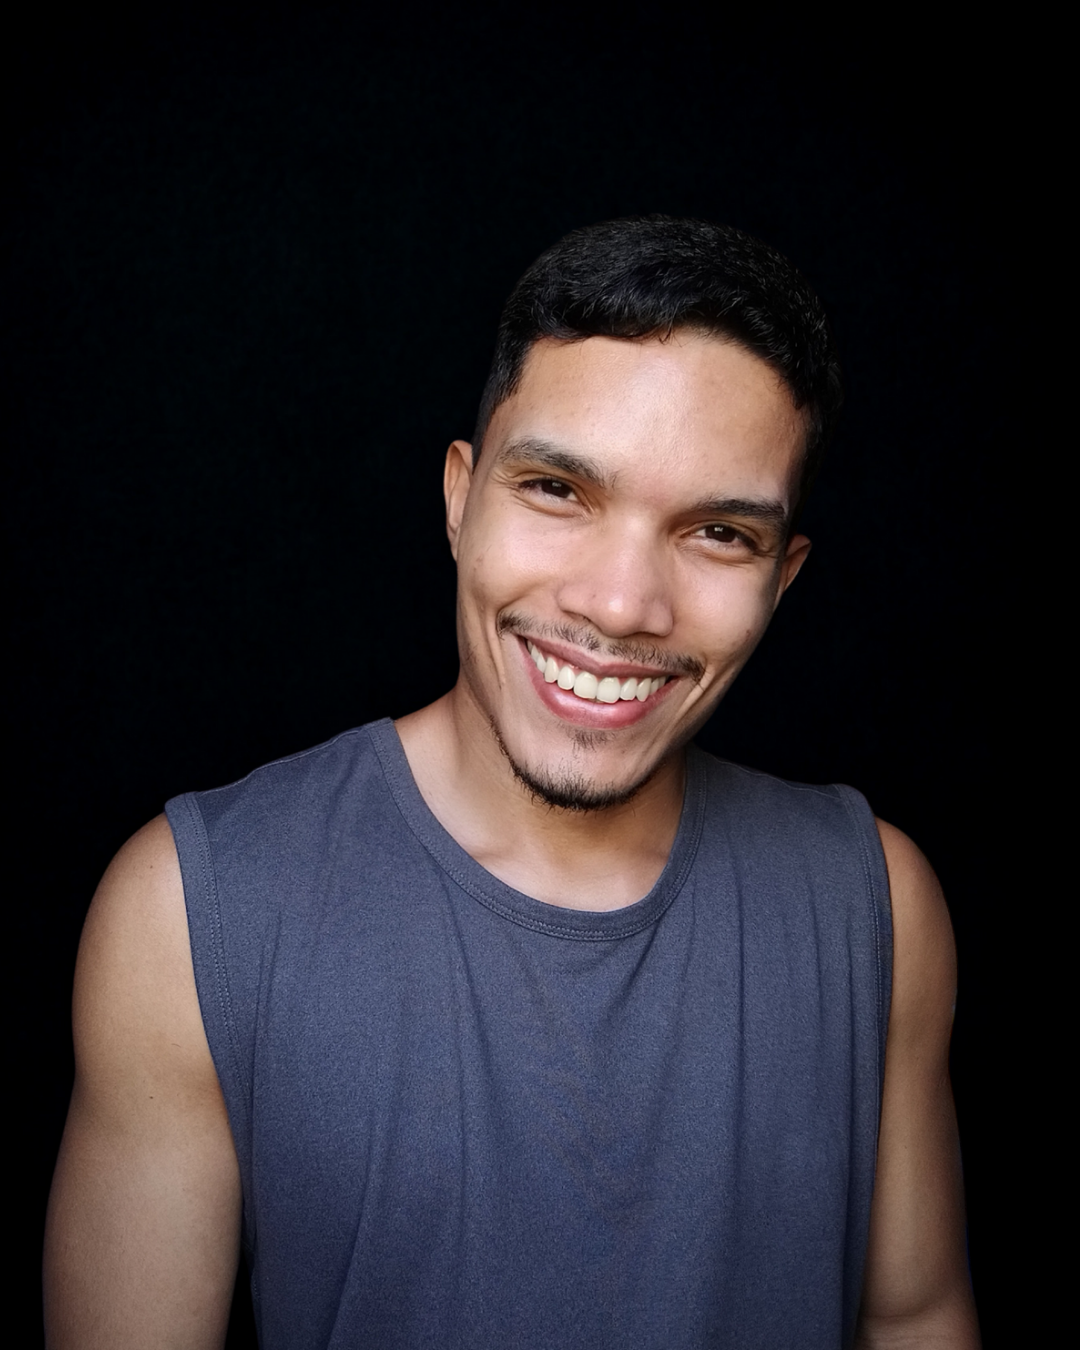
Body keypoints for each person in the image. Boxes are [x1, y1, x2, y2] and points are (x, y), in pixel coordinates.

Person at [44, 216, 980, 1349]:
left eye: (718, 533)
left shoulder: (876, 907)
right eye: (557, 489)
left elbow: (915, 1317)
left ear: (783, 579)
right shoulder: (191, 914)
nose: (621, 604)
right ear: (460, 497)